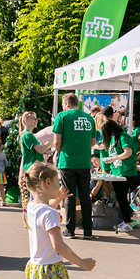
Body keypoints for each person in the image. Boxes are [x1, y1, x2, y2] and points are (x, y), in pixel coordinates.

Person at [53, 93, 97, 239]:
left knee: (69, 195)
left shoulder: (62, 116)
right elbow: (92, 142)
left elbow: (56, 142)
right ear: (76, 103)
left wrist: (60, 153)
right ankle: (88, 231)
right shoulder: (90, 118)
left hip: (67, 161)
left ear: (66, 104)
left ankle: (70, 230)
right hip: (84, 162)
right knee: (85, 195)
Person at [102, 114, 140, 232]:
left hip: (127, 171)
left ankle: (128, 222)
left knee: (121, 197)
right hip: (118, 172)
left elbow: (128, 152)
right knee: (120, 197)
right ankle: (127, 220)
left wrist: (114, 159)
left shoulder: (123, 136)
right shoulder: (113, 139)